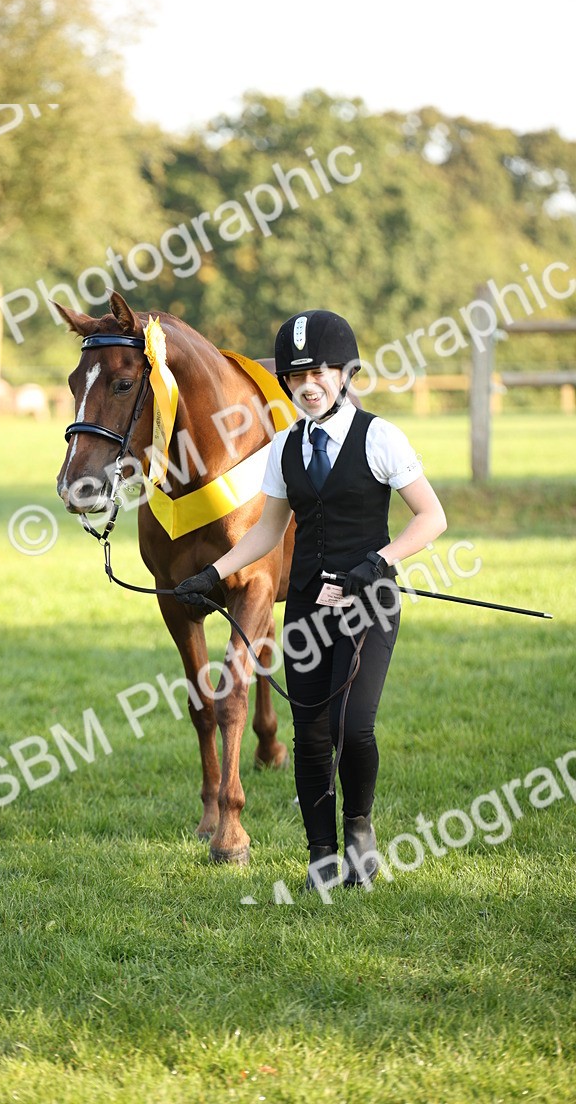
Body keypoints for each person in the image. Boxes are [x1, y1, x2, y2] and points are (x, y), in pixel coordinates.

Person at [174, 310, 447, 892]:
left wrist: (381, 562)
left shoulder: (380, 437)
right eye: (297, 376)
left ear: (344, 373)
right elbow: (267, 532)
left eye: (320, 371)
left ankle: (359, 836)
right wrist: (212, 573)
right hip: (306, 612)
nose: (308, 384)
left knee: (354, 727)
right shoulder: (283, 447)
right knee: (312, 733)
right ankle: (320, 856)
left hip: (368, 603)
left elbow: (432, 516)